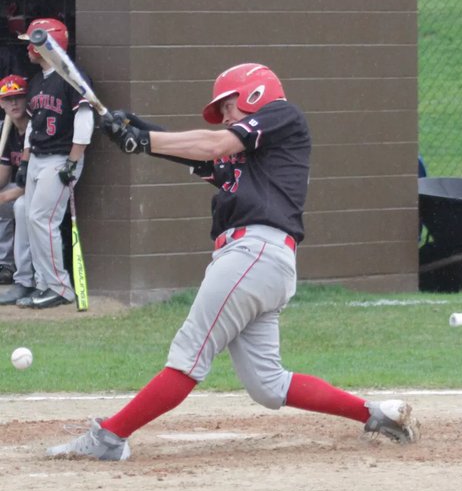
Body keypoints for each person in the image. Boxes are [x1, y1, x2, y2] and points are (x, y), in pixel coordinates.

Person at [47, 63, 418, 461]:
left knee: (189, 356)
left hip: (253, 253)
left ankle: (110, 436)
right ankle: (375, 414)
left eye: (228, 106)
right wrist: (140, 131)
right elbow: (205, 157)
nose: (225, 117)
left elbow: (212, 145)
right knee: (268, 385)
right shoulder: (252, 157)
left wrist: (145, 138)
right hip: (263, 263)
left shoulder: (282, 116)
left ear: (254, 94)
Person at [10, 18, 93, 309]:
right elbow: (34, 125)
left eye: (33, 43)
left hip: (61, 158)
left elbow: (85, 120)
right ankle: (44, 284)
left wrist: (73, 161)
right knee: (31, 219)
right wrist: (25, 161)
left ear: (49, 44)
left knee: (42, 221)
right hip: (38, 159)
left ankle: (60, 288)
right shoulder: (37, 81)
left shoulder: (71, 76)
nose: (28, 49)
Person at [0, 74, 30, 287]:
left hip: (40, 187)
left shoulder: (35, 126)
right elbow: (3, 175)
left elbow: (36, 179)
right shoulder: (6, 130)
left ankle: (21, 272)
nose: (13, 103)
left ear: (27, 98)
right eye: (8, 98)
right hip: (20, 186)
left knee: (17, 204)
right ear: (1, 103)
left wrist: (5, 196)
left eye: (18, 97)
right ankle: (5, 265)